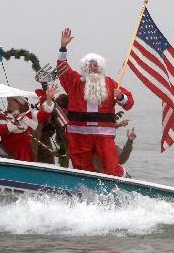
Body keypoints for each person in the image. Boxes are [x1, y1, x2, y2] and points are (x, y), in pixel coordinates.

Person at [57, 27, 134, 176]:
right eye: (89, 65)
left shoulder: (111, 84)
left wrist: (120, 97)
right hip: (79, 135)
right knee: (82, 169)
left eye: (96, 65)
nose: (93, 68)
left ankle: (125, 180)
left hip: (103, 135)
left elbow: (129, 103)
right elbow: (61, 69)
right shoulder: (74, 82)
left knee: (111, 166)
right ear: (84, 67)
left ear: (101, 68)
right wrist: (63, 47)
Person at [0, 87, 57, 161]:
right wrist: (17, 122)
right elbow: (1, 131)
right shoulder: (4, 116)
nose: (9, 103)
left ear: (20, 104)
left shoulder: (30, 115)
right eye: (8, 100)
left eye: (12, 101)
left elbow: (45, 116)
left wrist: (49, 99)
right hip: (5, 152)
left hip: (23, 153)